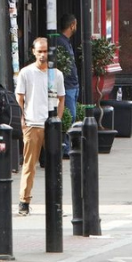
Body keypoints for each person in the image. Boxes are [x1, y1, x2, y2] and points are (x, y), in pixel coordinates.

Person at [15, 37, 65, 215]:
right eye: (40, 51)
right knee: (29, 164)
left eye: (46, 51)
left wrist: (58, 119)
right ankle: (24, 201)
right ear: (34, 52)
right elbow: (19, 97)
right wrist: (23, 119)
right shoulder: (26, 73)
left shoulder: (56, 74)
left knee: (55, 166)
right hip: (32, 123)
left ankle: (56, 203)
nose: (43, 55)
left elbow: (61, 99)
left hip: (51, 124)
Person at [53, 13, 80, 157]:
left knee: (72, 117)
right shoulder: (60, 42)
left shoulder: (65, 41)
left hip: (72, 85)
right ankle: (65, 148)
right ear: (72, 25)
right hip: (67, 86)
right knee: (69, 117)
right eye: (75, 25)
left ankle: (67, 147)